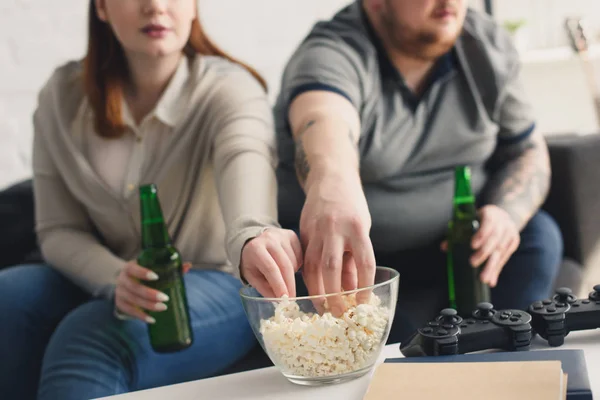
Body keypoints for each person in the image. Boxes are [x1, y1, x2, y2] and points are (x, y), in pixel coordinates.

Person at [0, 1, 302, 399]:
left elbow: (244, 160)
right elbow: (59, 229)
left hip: (216, 279)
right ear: (103, 8)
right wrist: (113, 277)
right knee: (9, 295)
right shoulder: (62, 96)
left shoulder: (230, 89)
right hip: (112, 269)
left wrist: (253, 236)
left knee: (90, 337)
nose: (156, 6)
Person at [273, 0, 563, 340]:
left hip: (457, 246)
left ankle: (504, 358)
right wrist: (332, 189)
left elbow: (528, 150)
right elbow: (323, 121)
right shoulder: (331, 51)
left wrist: (505, 213)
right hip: (363, 259)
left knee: (538, 235)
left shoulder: (486, 44)